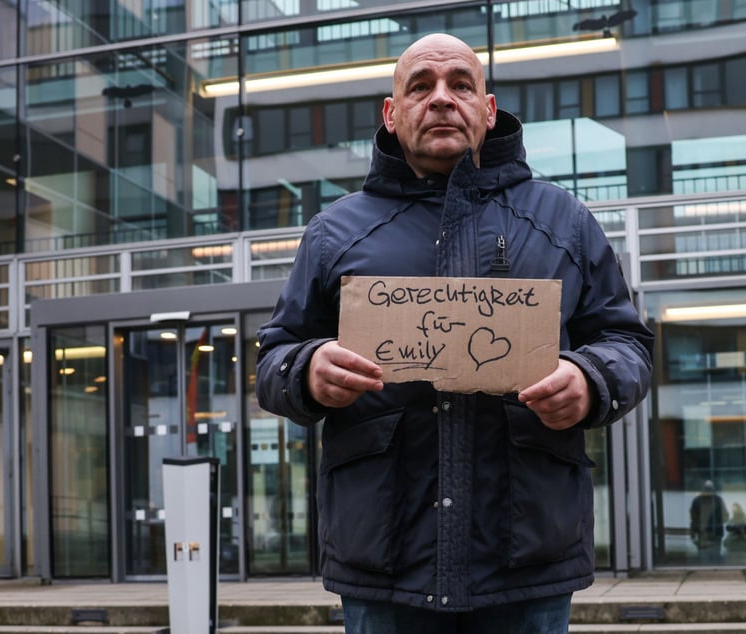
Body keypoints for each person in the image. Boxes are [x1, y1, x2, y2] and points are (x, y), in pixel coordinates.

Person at [255, 33, 654, 634]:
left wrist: (591, 380)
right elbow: (273, 360)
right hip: (384, 564)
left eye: (460, 85)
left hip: (526, 561)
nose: (441, 99)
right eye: (421, 86)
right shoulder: (333, 233)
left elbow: (628, 344)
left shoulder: (564, 222)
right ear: (392, 115)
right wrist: (306, 371)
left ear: (487, 110)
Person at [690, 480, 729, 564]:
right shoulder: (718, 500)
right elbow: (726, 516)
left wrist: (694, 530)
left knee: (704, 559)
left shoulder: (697, 500)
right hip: (712, 533)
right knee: (713, 558)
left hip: (705, 533)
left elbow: (693, 517)